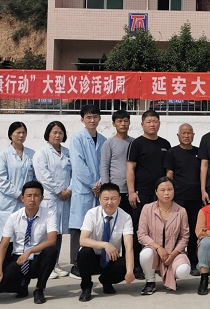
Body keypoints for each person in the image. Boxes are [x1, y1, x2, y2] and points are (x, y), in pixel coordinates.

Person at [0, 181, 58, 304]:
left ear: (42, 198)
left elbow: (52, 240)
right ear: (22, 198)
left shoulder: (49, 214)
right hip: (19, 258)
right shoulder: (14, 217)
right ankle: (21, 285)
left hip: (37, 258)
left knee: (51, 251)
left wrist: (30, 251)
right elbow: (3, 246)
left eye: (36, 195)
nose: (32, 199)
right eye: (29, 195)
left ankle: (39, 289)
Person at [127, 109, 171, 280]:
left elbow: (168, 170)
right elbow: (130, 168)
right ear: (142, 124)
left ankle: (161, 262)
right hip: (142, 194)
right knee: (140, 228)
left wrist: (168, 191)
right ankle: (138, 265)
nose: (152, 124)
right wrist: (131, 192)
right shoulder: (137, 144)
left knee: (161, 228)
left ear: (159, 124)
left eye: (155, 121)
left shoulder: (165, 144)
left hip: (161, 195)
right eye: (149, 121)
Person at [76, 182, 135, 302]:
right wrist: (105, 245)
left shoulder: (126, 217)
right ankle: (86, 287)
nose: (110, 202)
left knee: (126, 265)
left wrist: (130, 271)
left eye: (113, 198)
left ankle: (106, 281)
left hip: (111, 257)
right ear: (99, 199)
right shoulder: (92, 214)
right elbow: (82, 240)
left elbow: (129, 247)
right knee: (84, 252)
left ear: (119, 200)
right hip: (93, 257)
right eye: (106, 199)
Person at [68, 104, 106, 278]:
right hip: (84, 189)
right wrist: (92, 184)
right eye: (88, 117)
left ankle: (93, 262)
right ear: (82, 119)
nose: (92, 120)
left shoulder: (104, 140)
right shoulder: (77, 139)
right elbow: (78, 165)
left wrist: (101, 183)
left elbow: (105, 164)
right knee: (79, 226)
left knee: (96, 226)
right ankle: (76, 264)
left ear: (99, 118)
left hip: (99, 189)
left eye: (95, 116)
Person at [137, 177, 191, 295]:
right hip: (154, 251)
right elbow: (142, 234)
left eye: (169, 189)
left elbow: (184, 237)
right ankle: (150, 281)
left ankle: (172, 275)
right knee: (146, 254)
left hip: (173, 253)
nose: (166, 193)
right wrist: (158, 248)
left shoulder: (181, 211)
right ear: (156, 192)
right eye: (162, 190)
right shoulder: (147, 209)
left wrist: (174, 254)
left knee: (184, 270)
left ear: (174, 191)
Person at [33, 121, 71, 279]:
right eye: (54, 132)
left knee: (59, 232)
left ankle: (55, 264)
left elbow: (75, 172)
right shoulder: (41, 153)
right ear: (48, 134)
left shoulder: (67, 152)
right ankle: (45, 266)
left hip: (65, 197)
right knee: (48, 232)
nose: (57, 135)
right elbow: (43, 175)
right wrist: (58, 190)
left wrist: (69, 189)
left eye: (60, 132)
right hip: (50, 197)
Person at [165, 123, 202, 274]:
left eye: (189, 133)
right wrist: (168, 194)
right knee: (176, 230)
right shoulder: (172, 152)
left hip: (196, 197)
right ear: (178, 135)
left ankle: (193, 261)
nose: (186, 135)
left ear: (193, 135)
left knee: (193, 230)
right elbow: (169, 174)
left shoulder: (199, 152)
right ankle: (173, 261)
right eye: (183, 133)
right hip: (178, 197)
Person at [0, 122, 35, 243]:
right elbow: (1, 181)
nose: (21, 135)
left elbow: (35, 178)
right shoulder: (3, 155)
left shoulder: (32, 154)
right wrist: (19, 194)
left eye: (23, 133)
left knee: (25, 237)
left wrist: (28, 195)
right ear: (11, 135)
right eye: (18, 132)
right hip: (8, 203)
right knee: (7, 239)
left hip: (27, 201)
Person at [100, 110, 135, 214]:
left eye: (126, 121)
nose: (123, 124)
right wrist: (106, 188)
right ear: (113, 124)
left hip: (131, 190)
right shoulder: (108, 143)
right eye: (119, 121)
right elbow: (104, 167)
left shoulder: (135, 143)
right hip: (115, 189)